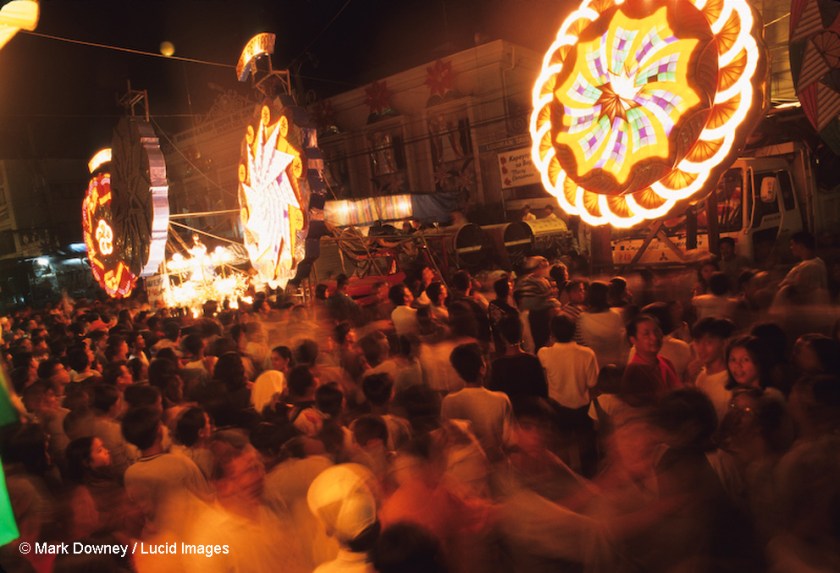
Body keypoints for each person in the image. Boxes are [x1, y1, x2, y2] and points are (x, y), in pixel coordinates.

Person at [441, 342, 513, 461]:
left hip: (465, 467)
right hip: (496, 464)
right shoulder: (501, 400)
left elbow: (447, 440)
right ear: (482, 369)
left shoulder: (448, 402)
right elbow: (509, 439)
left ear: (458, 372)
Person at [488, 315, 548, 407]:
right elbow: (542, 393)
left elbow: (495, 397)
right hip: (531, 413)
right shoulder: (532, 360)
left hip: (510, 415)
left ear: (502, 336)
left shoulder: (497, 365)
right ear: (521, 333)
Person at [691, 317, 736, 423]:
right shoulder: (701, 375)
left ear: (724, 343)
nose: (701, 349)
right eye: (697, 342)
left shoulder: (730, 381)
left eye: (708, 343)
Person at [626, 314, 681, 396]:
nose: (654, 337)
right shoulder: (635, 373)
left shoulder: (666, 362)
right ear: (633, 340)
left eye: (656, 331)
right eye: (646, 334)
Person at [576, 281, 626, 367]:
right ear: (606, 297)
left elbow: (580, 344)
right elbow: (622, 342)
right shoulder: (616, 316)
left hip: (593, 365)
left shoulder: (583, 318)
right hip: (615, 365)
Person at [774, 231, 829, 306]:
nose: (791, 248)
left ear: (801, 246)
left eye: (792, 244)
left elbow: (798, 289)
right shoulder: (817, 262)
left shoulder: (809, 267)